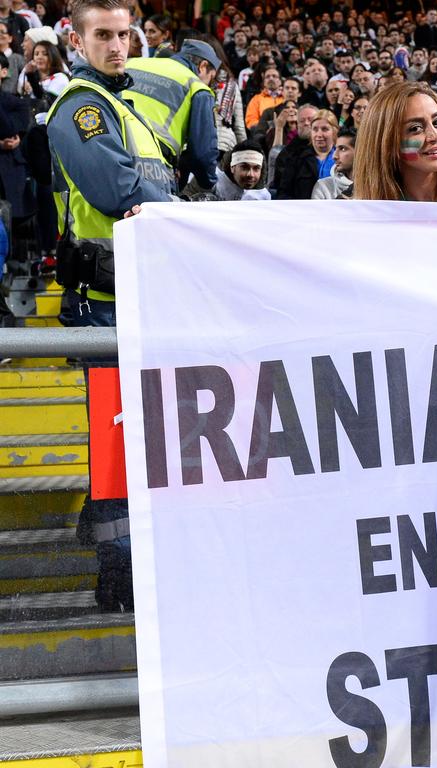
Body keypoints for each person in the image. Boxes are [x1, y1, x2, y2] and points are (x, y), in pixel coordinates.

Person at [47, 0, 176, 614]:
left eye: (126, 34)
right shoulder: (81, 109)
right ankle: (116, 577)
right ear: (77, 37)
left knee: (143, 448)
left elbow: (162, 183)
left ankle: (120, 553)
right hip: (103, 308)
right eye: (103, 35)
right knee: (120, 451)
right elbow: (117, 190)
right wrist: (181, 210)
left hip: (142, 300)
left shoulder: (129, 107)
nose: (118, 46)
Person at [124, 38, 220, 190]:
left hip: (110, 147)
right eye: (212, 78)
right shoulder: (197, 87)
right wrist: (209, 181)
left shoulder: (132, 63)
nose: (209, 84)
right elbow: (202, 154)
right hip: (152, 168)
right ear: (203, 66)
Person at [273, 102, 318, 199]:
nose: (306, 123)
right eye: (302, 120)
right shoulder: (288, 153)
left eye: (310, 120)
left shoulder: (332, 150)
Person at [311, 129, 354, 199]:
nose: (334, 156)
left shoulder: (375, 186)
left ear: (359, 152)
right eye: (335, 149)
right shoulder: (323, 187)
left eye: (342, 149)